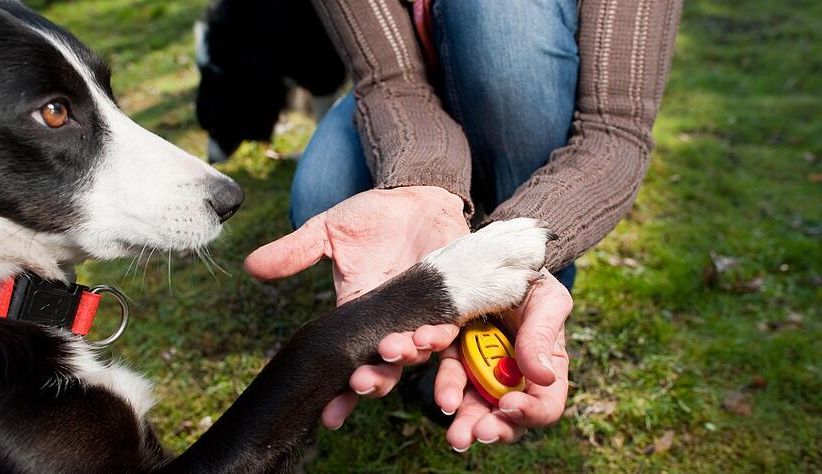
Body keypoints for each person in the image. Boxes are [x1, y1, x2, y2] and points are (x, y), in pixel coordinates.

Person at [245, 0, 682, 452]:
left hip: (530, 83)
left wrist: (515, 247)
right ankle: (457, 271)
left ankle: (531, 292)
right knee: (325, 192)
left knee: (495, 13)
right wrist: (424, 187)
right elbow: (391, 82)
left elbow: (613, 129)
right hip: (413, 96)